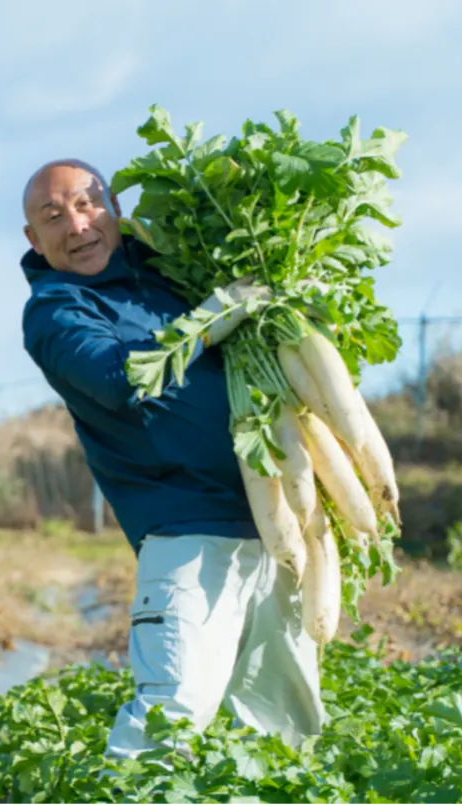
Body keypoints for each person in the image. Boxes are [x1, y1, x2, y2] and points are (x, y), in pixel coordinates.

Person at [17, 159, 325, 765]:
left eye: (87, 204)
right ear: (34, 238)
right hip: (187, 536)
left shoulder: (174, 272)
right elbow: (115, 379)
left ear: (115, 208)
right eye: (54, 217)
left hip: (278, 526)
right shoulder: (56, 312)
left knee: (283, 724)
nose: (77, 225)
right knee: (169, 720)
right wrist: (211, 318)